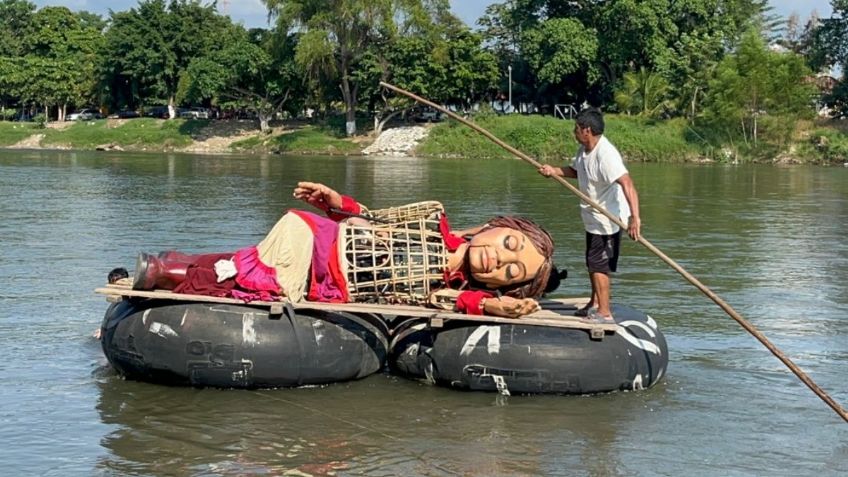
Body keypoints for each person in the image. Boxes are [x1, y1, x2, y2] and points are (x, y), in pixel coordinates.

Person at [130, 181, 565, 318]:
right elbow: (376, 219)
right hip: (321, 240)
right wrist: (337, 204)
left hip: (329, 282)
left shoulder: (444, 286)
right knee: (285, 256)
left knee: (271, 274)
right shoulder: (434, 220)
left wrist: (492, 307)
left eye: (511, 272)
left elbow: (456, 300)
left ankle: (173, 268)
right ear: (494, 227)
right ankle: (170, 271)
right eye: (509, 245)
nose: (500, 259)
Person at [538, 108, 641, 323]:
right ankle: (594, 303)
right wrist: (554, 171)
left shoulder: (606, 155)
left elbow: (628, 184)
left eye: (576, 129)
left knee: (599, 265)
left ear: (587, 130)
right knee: (592, 263)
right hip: (592, 218)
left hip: (608, 219)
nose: (573, 132)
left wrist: (634, 218)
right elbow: (577, 172)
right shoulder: (583, 150)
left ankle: (604, 312)